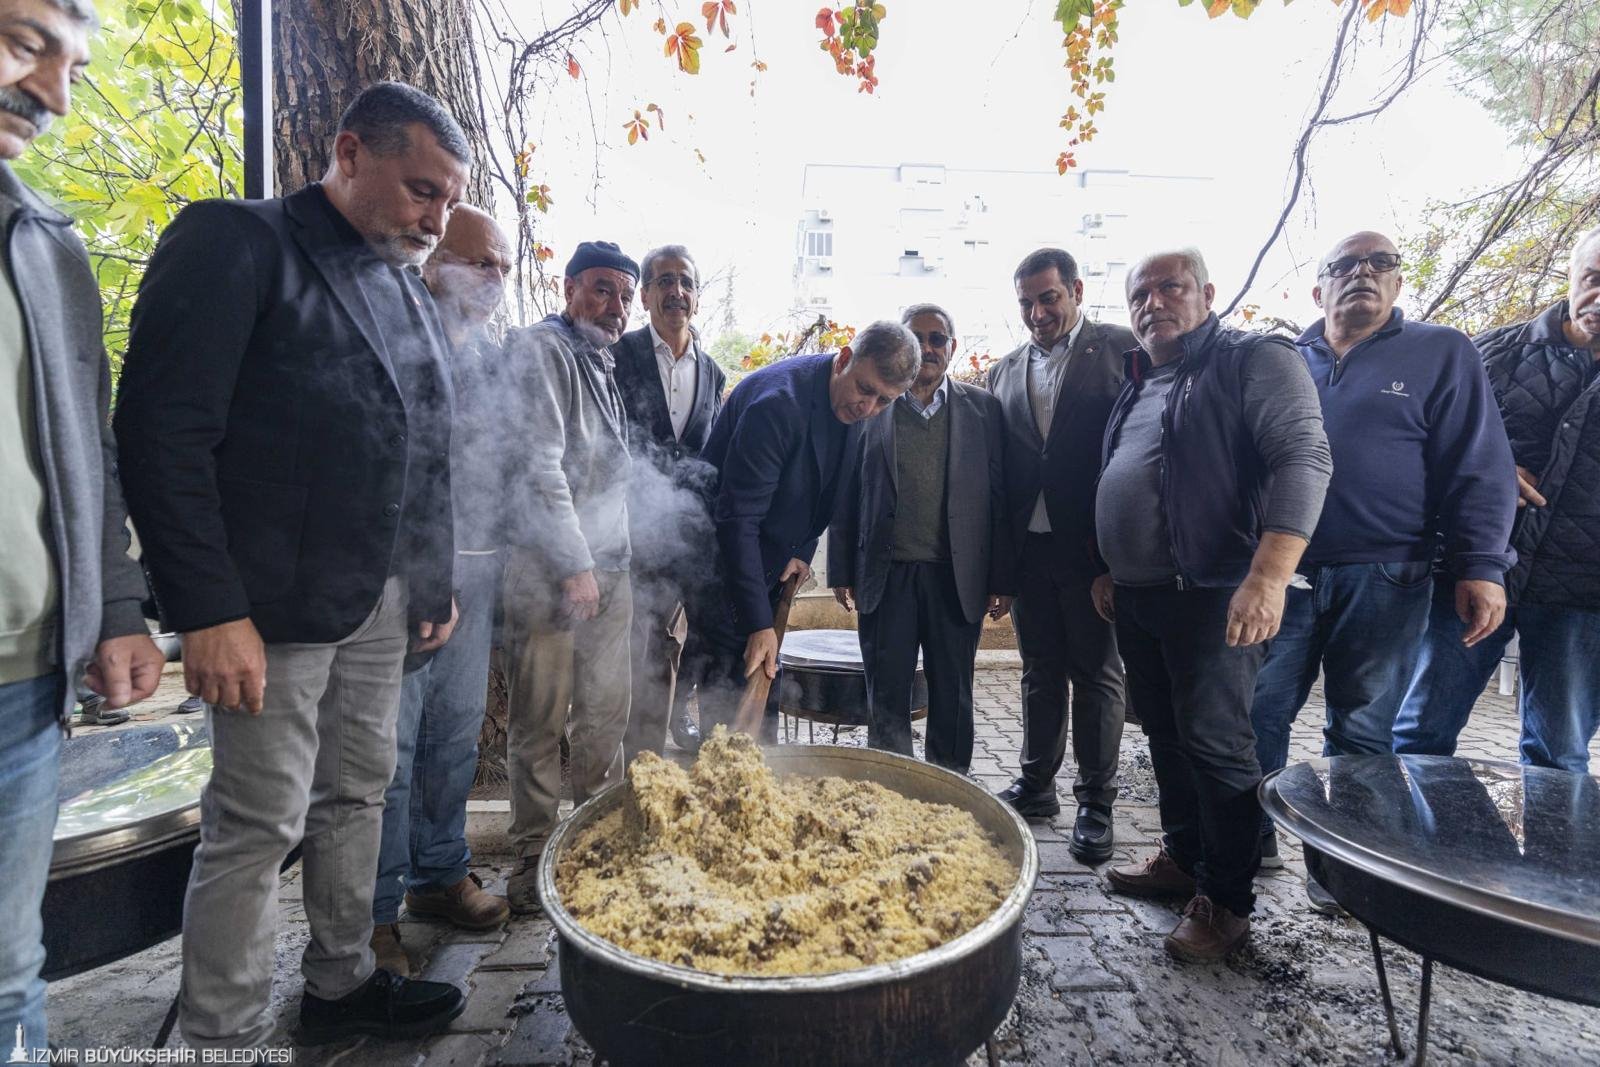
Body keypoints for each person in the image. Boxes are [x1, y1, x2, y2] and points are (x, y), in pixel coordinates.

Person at [114, 82, 468, 1047]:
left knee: (358, 793)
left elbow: (425, 443)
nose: (436, 221)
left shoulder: (403, 283)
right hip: (264, 609)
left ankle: (341, 980)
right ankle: (221, 1033)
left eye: (447, 200)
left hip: (380, 600)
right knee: (258, 822)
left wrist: (432, 578)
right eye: (421, 190)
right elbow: (161, 434)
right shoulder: (238, 241)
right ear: (350, 154)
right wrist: (208, 609)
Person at [1248, 232, 1516, 912]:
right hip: (1283, 574)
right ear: (1319, 290)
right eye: (1343, 265)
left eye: (1380, 263)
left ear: (1398, 282)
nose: (1361, 273)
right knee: (1256, 712)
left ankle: (1344, 869)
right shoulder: (1286, 361)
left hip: (1387, 574)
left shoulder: (1441, 352)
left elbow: (1479, 463)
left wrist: (1482, 565)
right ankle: (1247, 845)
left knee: (1361, 732)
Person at [0, 1, 164, 1055]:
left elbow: (87, 451)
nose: (55, 94)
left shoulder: (48, 246)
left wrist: (114, 607)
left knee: (9, 970)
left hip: (22, 677)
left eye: (71, 65)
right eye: (25, 44)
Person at [1094, 249, 1331, 962]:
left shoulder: (1253, 359)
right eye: (1141, 293)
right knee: (1165, 735)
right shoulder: (1140, 379)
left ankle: (1227, 901)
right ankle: (1183, 858)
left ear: (1207, 293)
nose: (1154, 302)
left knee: (1217, 745)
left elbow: (1304, 458)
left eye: (1171, 287)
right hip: (1141, 596)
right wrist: (1111, 568)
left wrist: (1269, 576)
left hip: (1213, 593)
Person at [1393, 225, 1600, 773]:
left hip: (1583, 592)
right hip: (1474, 573)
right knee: (1419, 731)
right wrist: (1489, 466)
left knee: (1559, 754)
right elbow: (1415, 443)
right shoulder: (1491, 353)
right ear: (1571, 276)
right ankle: (1410, 832)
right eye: (1593, 279)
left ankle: (1549, 837)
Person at [369, 205, 514, 977]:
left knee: (454, 737)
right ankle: (373, 915)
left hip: (479, 571)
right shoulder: (397, 336)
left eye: (503, 267)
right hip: (403, 577)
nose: (495, 279)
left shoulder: (492, 357)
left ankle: (438, 873)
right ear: (433, 262)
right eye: (480, 262)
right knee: (387, 751)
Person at [691, 323, 921, 737]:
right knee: (728, 712)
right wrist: (758, 624)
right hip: (720, 570)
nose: (868, 408)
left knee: (761, 708)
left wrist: (802, 548)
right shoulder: (776, 406)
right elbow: (737, 521)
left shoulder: (854, 404)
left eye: (884, 401)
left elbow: (826, 487)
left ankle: (758, 769)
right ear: (845, 359)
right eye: (865, 390)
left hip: (765, 564)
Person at [500, 241, 636, 915]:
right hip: (550, 570)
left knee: (605, 715)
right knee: (540, 717)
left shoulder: (600, 360)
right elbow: (539, 466)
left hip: (611, 568)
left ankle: (592, 839)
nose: (616, 307)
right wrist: (575, 563)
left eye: (625, 297)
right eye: (603, 290)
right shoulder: (544, 350)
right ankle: (532, 854)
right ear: (569, 287)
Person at [986, 248, 1131, 863]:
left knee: (1096, 675)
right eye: (1026, 303)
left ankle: (1096, 803)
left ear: (1076, 290)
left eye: (1048, 298)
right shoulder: (1003, 371)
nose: (1037, 313)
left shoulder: (1123, 350)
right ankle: (1036, 786)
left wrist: (1116, 559)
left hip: (1094, 550)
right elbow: (1002, 475)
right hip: (1031, 550)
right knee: (1039, 671)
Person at [827, 304, 1012, 774]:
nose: (928, 348)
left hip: (957, 578)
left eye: (937, 339)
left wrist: (1001, 579)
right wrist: (841, 568)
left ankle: (949, 787)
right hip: (885, 578)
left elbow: (1000, 498)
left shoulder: (984, 409)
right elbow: (847, 490)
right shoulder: (873, 403)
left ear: (952, 347)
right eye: (918, 338)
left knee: (953, 694)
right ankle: (891, 785)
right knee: (887, 694)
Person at [610, 244, 726, 761]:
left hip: (694, 537)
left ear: (697, 298)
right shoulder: (618, 355)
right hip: (635, 533)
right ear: (645, 296)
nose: (676, 291)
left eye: (686, 282)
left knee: (700, 640)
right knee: (641, 650)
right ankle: (637, 759)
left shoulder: (714, 373)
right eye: (664, 281)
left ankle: (676, 720)